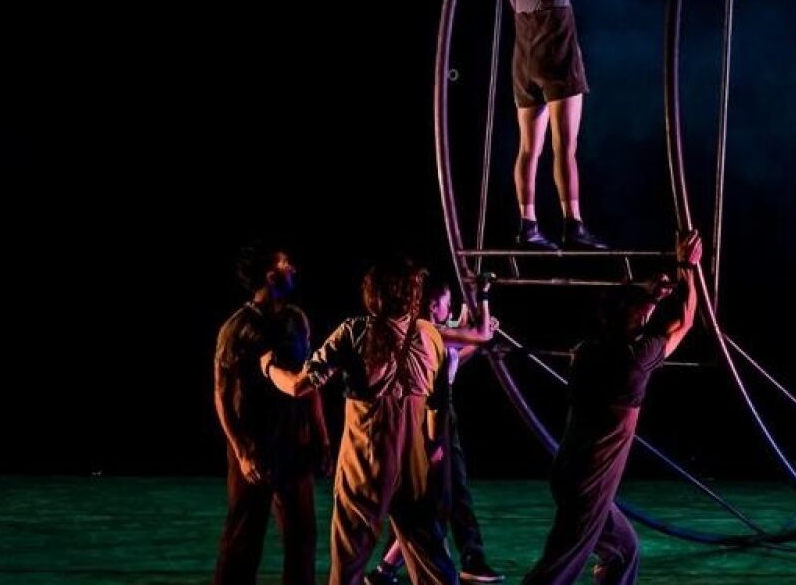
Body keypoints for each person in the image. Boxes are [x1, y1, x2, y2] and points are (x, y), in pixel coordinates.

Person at [261, 258, 493, 585]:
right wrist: (433, 450)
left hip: (366, 459)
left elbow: (300, 385)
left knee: (349, 558)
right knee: (432, 560)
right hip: (414, 461)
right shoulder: (430, 335)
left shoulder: (354, 332)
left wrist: (269, 367)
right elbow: (438, 407)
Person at [521, 231, 702, 585]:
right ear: (636, 320)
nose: (649, 312)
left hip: (569, 474)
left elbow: (626, 311)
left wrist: (650, 296)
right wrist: (687, 267)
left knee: (623, 550)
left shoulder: (587, 350)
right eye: (645, 311)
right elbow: (686, 321)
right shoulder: (635, 360)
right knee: (558, 568)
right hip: (589, 485)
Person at [459, 0, 612, 252]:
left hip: (525, 62)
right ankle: (572, 223)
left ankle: (528, 224)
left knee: (530, 148)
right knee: (566, 147)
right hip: (558, 57)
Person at [367, 279, 504, 585]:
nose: (450, 310)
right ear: (432, 305)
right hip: (430, 413)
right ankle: (464, 559)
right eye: (447, 303)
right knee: (441, 496)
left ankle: (387, 569)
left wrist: (476, 336)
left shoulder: (436, 331)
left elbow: (456, 354)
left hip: (439, 409)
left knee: (438, 497)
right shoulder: (426, 332)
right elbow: (475, 334)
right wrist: (481, 299)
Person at [213, 241, 329, 585]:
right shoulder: (236, 328)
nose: (292, 268)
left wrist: (322, 438)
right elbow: (221, 394)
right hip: (255, 445)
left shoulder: (296, 320)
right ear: (269, 275)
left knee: (302, 536)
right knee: (244, 536)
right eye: (285, 263)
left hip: (294, 443)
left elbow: (309, 383)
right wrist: (241, 450)